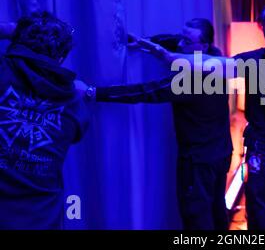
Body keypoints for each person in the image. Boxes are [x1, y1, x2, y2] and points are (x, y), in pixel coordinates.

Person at [139, 2, 265, 230]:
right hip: (263, 149)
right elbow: (212, 63)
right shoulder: (255, 61)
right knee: (260, 216)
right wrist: (171, 57)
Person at [80, 18, 233, 230]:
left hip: (198, 162)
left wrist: (93, 92)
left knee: (197, 218)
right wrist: (145, 42)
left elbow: (144, 91)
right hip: (221, 154)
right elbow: (175, 41)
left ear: (203, 46)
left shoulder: (190, 81)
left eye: (187, 42)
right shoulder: (216, 60)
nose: (180, 45)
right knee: (217, 211)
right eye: (182, 38)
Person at [0, 12, 89, 229]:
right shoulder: (74, 102)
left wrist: (11, 29)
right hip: (43, 218)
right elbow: (77, 131)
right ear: (61, 57)